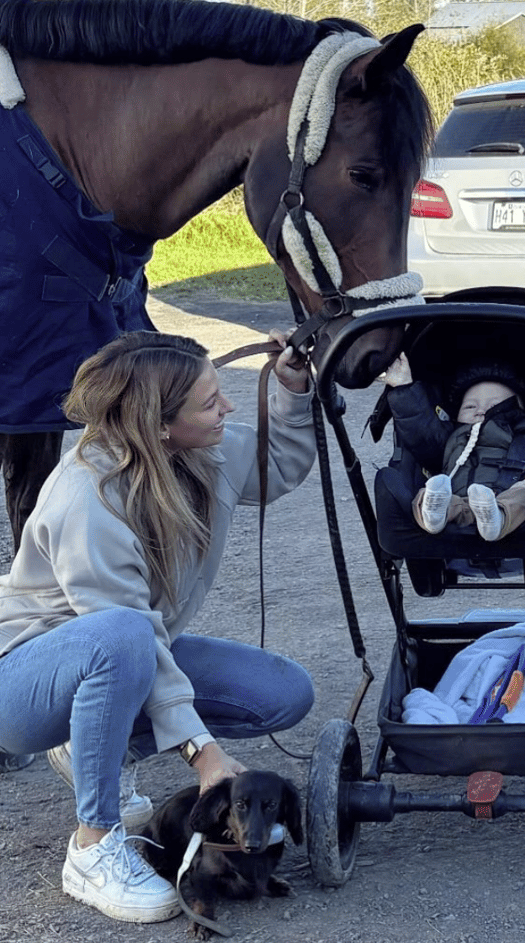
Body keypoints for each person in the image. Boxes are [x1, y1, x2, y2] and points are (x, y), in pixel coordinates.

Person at [0, 329, 317, 924]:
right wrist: (205, 758)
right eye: (210, 401)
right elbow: (128, 632)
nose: (226, 407)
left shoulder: (195, 451)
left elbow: (275, 467)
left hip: (126, 651)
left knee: (283, 693)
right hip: (21, 681)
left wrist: (291, 390)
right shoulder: (86, 497)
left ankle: (95, 741)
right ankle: (93, 848)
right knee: (121, 634)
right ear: (160, 422)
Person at [383, 353, 525, 541]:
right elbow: (421, 432)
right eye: (470, 407)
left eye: (495, 406)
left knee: (523, 497)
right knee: (427, 494)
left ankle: (497, 517)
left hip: (506, 497)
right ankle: (433, 516)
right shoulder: (450, 436)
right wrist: (403, 386)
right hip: (452, 497)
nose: (480, 411)